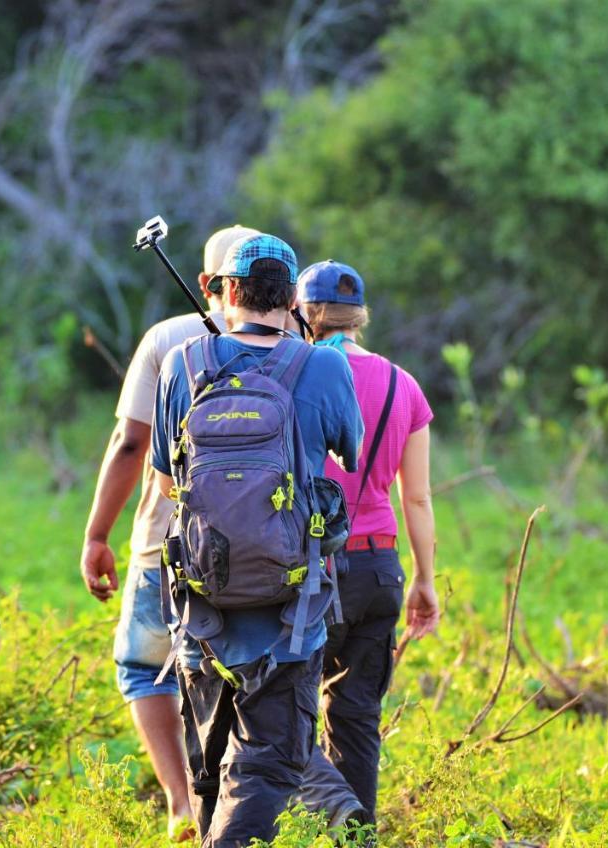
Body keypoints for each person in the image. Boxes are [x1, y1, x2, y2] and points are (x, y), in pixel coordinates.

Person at [151, 235, 363, 847]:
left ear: (228, 291)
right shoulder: (323, 364)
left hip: (201, 606)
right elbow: (346, 452)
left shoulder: (184, 362)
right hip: (291, 608)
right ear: (292, 297)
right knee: (269, 763)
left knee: (208, 770)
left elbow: (168, 481)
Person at [80, 224, 257, 839]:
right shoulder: (296, 341)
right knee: (249, 670)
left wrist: (97, 533)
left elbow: (131, 442)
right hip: (269, 551)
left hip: (170, 544)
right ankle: (238, 805)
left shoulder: (168, 338)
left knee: (141, 664)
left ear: (208, 283)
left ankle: (183, 805)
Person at [295, 260, 440, 827]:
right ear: (360, 318)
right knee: (356, 717)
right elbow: (419, 499)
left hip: (312, 568)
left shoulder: (298, 372)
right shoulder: (405, 384)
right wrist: (424, 583)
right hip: (380, 568)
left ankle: (332, 815)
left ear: (305, 315)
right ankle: (357, 833)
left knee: (285, 714)